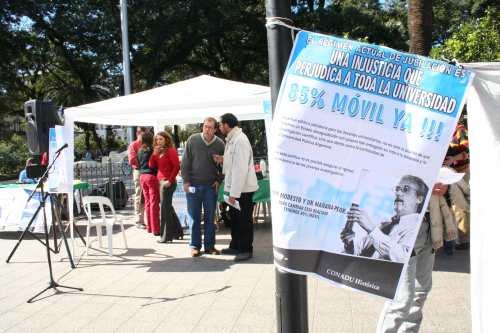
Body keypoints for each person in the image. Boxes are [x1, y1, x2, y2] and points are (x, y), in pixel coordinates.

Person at [376, 182, 448, 333]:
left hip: (429, 225)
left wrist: (444, 184)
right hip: (407, 231)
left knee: (420, 292)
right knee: (402, 298)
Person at [342, 175, 429, 263]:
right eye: (397, 189)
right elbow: (356, 253)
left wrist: (372, 229)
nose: (398, 193)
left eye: (406, 189)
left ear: (419, 199)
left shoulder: (420, 226)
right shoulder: (384, 224)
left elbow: (403, 258)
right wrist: (349, 245)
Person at [181, 117, 225, 257]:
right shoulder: (192, 140)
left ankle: (210, 246)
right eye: (205, 126)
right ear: (202, 127)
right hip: (193, 186)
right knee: (194, 218)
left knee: (210, 218)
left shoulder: (220, 144)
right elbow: (185, 163)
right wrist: (186, 182)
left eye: (210, 127)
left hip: (210, 187)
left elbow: (225, 165)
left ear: (215, 129)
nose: (207, 129)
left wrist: (219, 180)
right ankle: (195, 246)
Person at [218, 113, 258, 261]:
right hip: (235, 189)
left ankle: (246, 249)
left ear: (227, 124)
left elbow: (240, 169)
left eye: (221, 124)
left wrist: (234, 192)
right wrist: (223, 160)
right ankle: (235, 246)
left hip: (242, 190)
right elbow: (233, 163)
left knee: (243, 220)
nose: (220, 127)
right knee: (235, 219)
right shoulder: (232, 139)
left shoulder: (240, 140)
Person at [149, 131, 181, 243]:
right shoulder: (159, 152)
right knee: (168, 208)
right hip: (160, 182)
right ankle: (178, 232)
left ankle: (166, 237)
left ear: (166, 140)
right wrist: (154, 153)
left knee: (164, 209)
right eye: (157, 139)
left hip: (168, 183)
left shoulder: (170, 151)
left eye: (161, 139)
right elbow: (151, 166)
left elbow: (176, 167)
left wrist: (170, 181)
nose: (158, 141)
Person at [137, 132, 160, 235]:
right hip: (151, 176)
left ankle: (149, 227)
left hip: (142, 176)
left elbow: (138, 164)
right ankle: (156, 229)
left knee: (147, 202)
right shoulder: (152, 150)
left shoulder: (140, 150)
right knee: (154, 203)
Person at [128, 127, 148, 229]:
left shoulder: (148, 144)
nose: (143, 135)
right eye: (141, 133)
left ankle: (149, 219)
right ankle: (139, 220)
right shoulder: (133, 145)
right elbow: (132, 160)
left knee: (147, 196)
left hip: (148, 171)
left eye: (145, 133)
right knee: (139, 195)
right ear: (137, 133)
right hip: (139, 171)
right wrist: (144, 163)